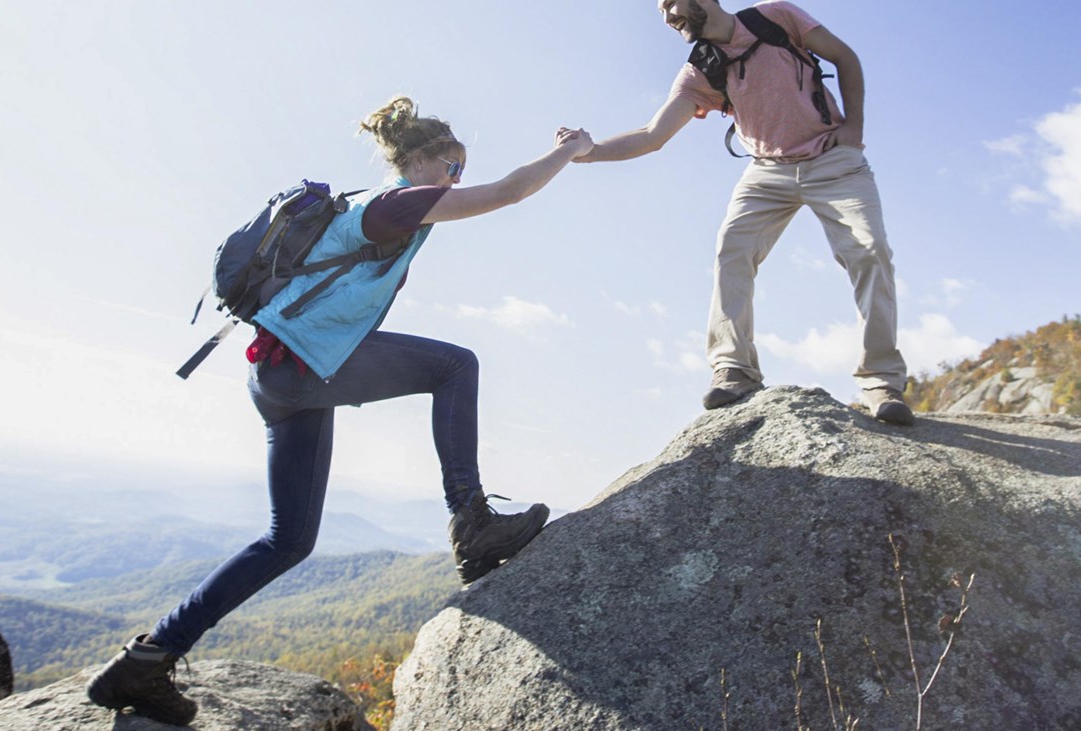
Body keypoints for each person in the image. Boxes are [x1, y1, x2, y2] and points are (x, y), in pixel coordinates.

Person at [85, 96, 595, 725]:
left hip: (278, 371)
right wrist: (570, 149)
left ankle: (146, 660)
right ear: (414, 160)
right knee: (455, 365)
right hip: (302, 364)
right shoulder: (392, 203)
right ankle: (472, 520)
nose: (456, 179)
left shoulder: (368, 205)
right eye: (450, 166)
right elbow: (511, 192)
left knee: (287, 541)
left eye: (461, 170)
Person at [578, 0, 913, 425]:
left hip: (833, 159)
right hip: (766, 171)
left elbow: (845, 57)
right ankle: (734, 368)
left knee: (870, 250)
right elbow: (652, 135)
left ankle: (881, 381)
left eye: (669, 2)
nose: (666, 16)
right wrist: (590, 152)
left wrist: (854, 129)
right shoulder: (700, 70)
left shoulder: (775, 17)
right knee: (730, 251)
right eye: (659, 11)